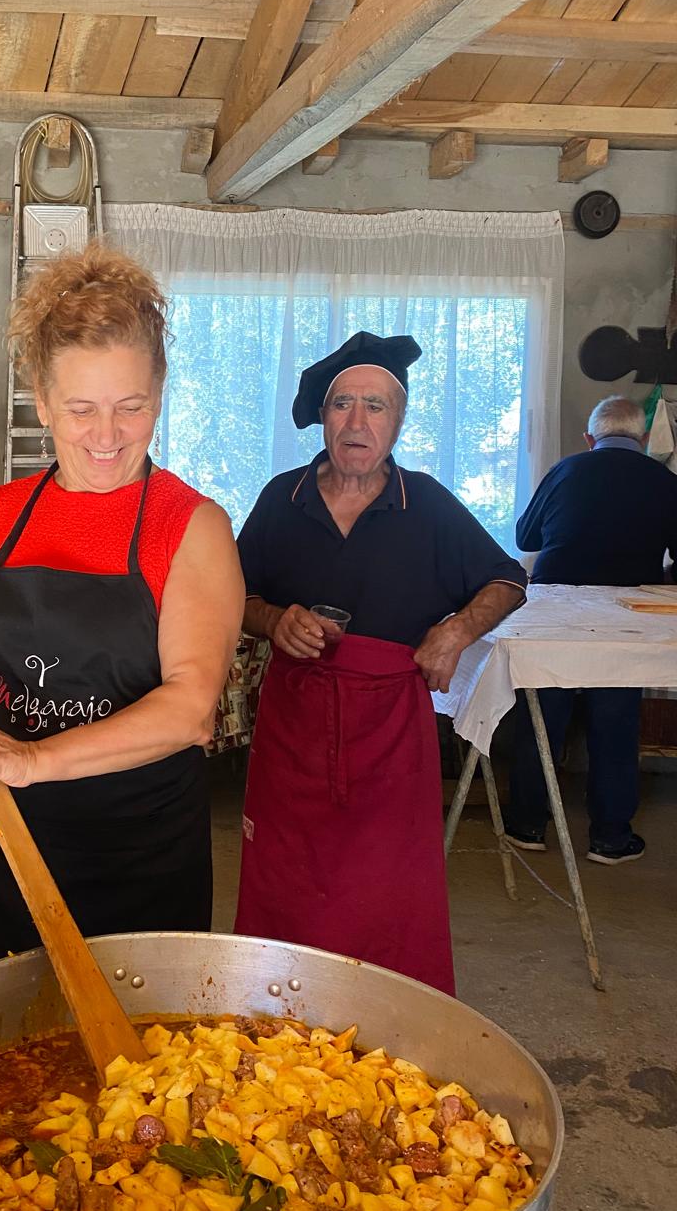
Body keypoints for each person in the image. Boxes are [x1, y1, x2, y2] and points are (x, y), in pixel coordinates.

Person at [0, 243, 244, 972]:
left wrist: (30, 758)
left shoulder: (191, 525)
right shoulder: (2, 513)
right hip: (6, 840)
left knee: (140, 1068)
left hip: (137, 856)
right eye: (81, 409)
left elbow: (192, 709)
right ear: (41, 395)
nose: (106, 435)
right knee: (1, 1054)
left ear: (160, 392)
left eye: (132, 407)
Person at [234, 331, 527, 995]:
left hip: (390, 732)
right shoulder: (282, 498)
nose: (358, 421)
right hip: (296, 727)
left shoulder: (424, 503)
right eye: (343, 404)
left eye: (376, 406)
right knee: (286, 876)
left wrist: (457, 629)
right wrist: (275, 620)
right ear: (324, 417)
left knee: (386, 887)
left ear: (398, 423)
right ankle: (275, 1019)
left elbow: (506, 579)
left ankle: (389, 1022)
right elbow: (235, 595)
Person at [505, 395, 677, 865]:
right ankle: (610, 837)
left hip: (555, 609)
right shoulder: (665, 480)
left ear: (589, 438)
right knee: (615, 721)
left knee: (542, 717)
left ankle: (526, 824)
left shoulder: (567, 470)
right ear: (643, 440)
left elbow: (526, 539)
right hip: (622, 616)